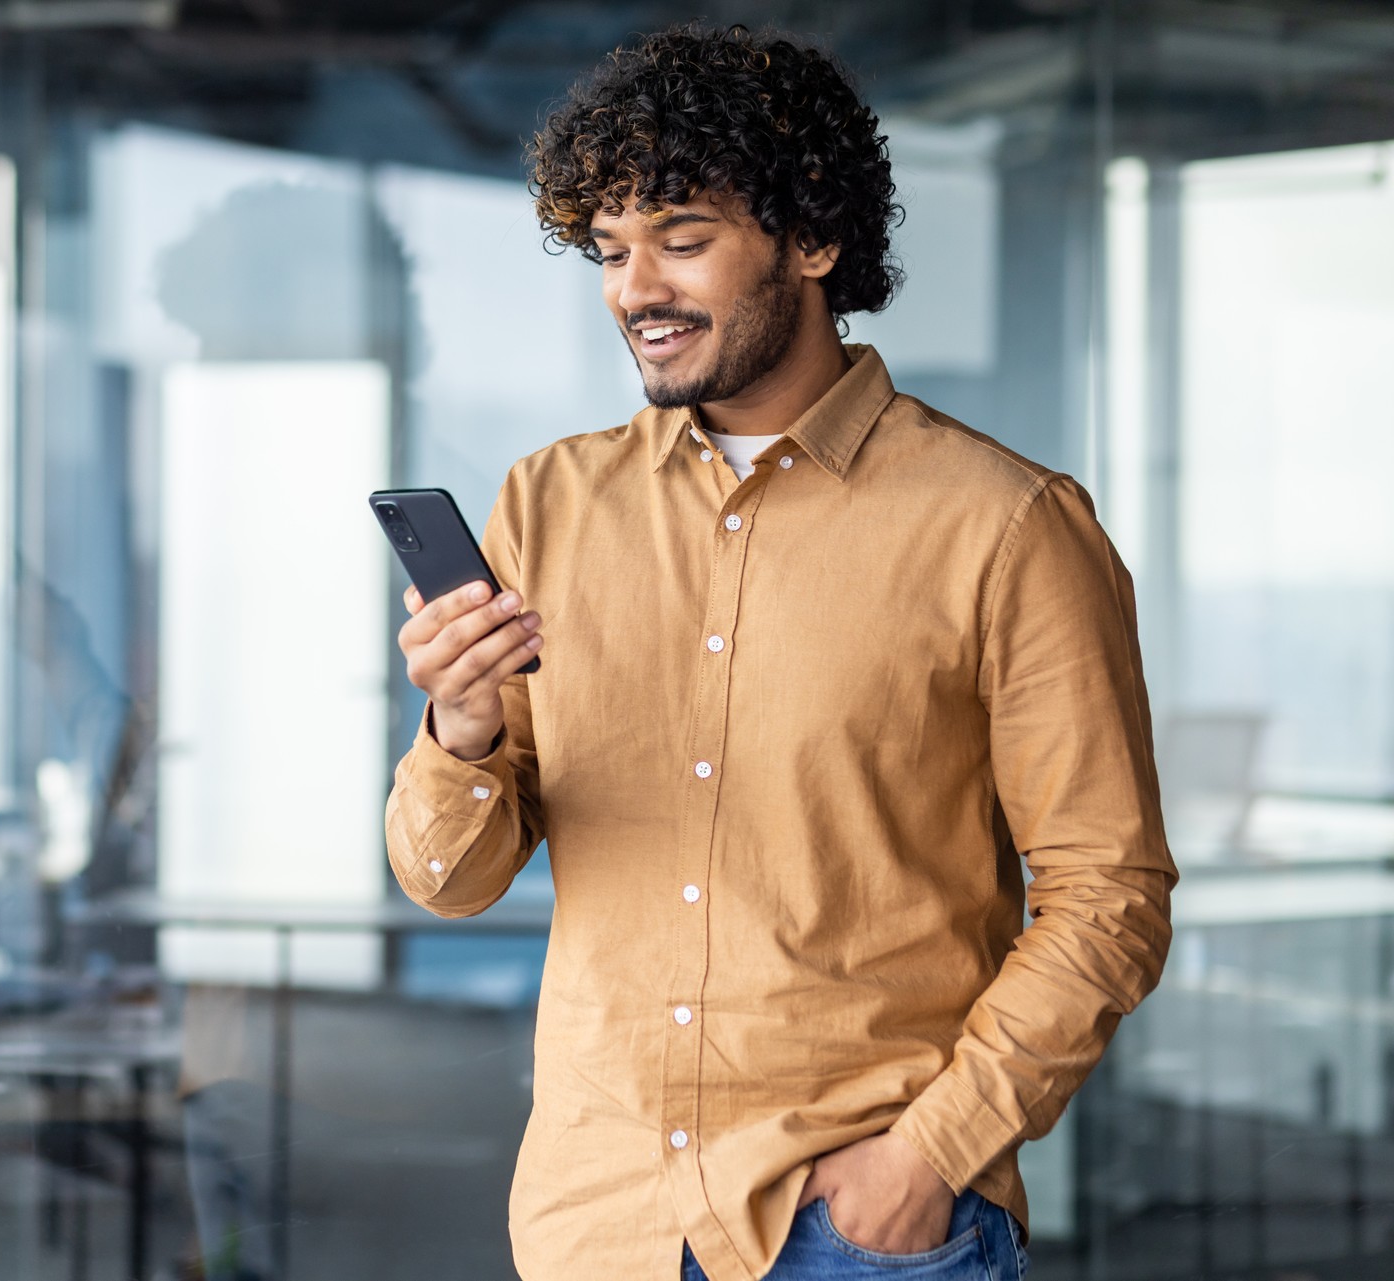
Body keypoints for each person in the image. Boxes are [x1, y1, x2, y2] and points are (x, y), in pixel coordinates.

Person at [383, 24, 1176, 1281]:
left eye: (683, 242)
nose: (635, 289)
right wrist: (460, 731)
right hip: (601, 1221)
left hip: (862, 1230)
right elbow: (450, 883)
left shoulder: (1008, 526)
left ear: (814, 241)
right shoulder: (550, 504)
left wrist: (930, 1157)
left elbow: (1110, 895)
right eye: (609, 251)